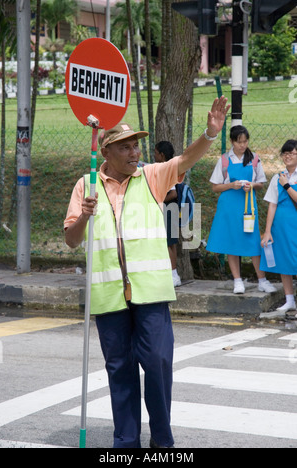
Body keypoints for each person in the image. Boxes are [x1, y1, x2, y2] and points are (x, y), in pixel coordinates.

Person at [64, 96, 230, 449]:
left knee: (157, 362)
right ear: (106, 152)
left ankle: (162, 441)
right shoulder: (86, 184)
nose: (135, 152)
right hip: (109, 297)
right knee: (120, 371)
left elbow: (185, 159)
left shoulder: (152, 177)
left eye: (136, 145)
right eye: (125, 147)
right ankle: (125, 442)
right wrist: (84, 216)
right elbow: (71, 241)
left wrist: (210, 134)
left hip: (150, 293)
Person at [206, 125, 276, 295]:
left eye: (245, 141)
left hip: (247, 205)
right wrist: (231, 185)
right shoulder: (224, 160)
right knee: (232, 242)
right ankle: (237, 281)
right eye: (239, 142)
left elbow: (260, 183)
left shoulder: (254, 159)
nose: (242, 145)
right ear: (232, 142)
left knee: (252, 240)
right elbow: (215, 187)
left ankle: (262, 280)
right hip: (229, 207)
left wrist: (251, 184)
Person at [260, 140, 297, 313]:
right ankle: (289, 300)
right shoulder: (277, 177)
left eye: (292, 153)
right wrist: (267, 231)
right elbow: (272, 204)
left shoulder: (283, 180)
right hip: (280, 228)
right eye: (285, 153)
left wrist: (287, 185)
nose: (287, 156)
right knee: (284, 261)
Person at [154, 140, 181, 287]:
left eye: (156, 153)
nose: (154, 155)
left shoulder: (167, 169)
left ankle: (174, 274)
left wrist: (157, 200)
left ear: (162, 155)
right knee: (167, 243)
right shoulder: (162, 168)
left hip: (169, 208)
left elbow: (173, 193)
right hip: (165, 208)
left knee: (169, 243)